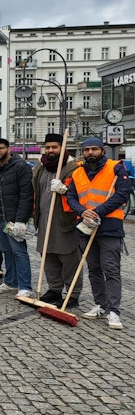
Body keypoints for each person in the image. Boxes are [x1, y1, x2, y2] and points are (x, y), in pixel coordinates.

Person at [66, 138, 131, 329]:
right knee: (94, 268)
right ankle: (100, 304)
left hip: (109, 226)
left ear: (102, 151)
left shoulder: (115, 168)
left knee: (111, 269)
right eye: (87, 149)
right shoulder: (78, 172)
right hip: (86, 225)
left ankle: (114, 310)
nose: (90, 152)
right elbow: (71, 196)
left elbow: (122, 194)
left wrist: (98, 211)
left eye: (94, 149)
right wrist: (82, 211)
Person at [31, 133, 81, 307]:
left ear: (62, 148)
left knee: (68, 258)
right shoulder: (41, 167)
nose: (51, 150)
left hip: (64, 219)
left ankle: (72, 293)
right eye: (48, 147)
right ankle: (54, 289)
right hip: (44, 218)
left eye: (55, 147)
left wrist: (65, 189)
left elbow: (81, 192)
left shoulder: (74, 167)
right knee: (48, 255)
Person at [0, 138, 34, 299]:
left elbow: (26, 195)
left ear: (8, 149)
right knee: (6, 251)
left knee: (19, 251)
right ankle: (10, 282)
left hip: (12, 218)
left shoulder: (20, 167)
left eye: (0, 148)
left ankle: (25, 286)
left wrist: (21, 220)